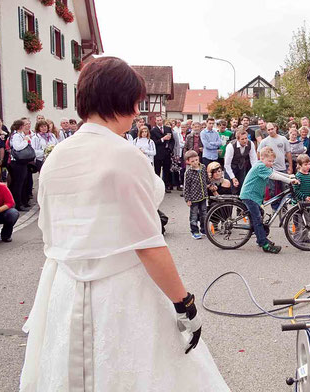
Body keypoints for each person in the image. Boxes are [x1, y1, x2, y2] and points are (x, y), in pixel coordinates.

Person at [20, 56, 228, 391]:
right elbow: (148, 243)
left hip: (64, 287)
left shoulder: (56, 156)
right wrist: (183, 302)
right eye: (136, 103)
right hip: (119, 292)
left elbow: (49, 229)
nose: (137, 111)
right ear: (123, 102)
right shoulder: (124, 155)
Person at [240, 146, 298, 254]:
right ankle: (265, 244)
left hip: (255, 196)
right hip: (250, 195)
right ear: (262, 158)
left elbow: (275, 171)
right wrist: (289, 181)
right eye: (269, 161)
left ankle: (260, 237)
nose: (271, 163)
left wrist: (289, 176)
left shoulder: (265, 165)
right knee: (257, 219)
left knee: (259, 216)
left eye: (272, 161)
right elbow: (273, 175)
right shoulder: (260, 166)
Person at [258, 123, 292, 210]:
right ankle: (274, 208)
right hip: (270, 169)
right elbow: (259, 154)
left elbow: (288, 153)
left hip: (282, 168)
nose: (270, 131)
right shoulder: (264, 141)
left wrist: (290, 166)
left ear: (276, 128)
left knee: (284, 189)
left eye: (272, 129)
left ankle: (283, 207)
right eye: (268, 130)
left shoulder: (283, 139)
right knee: (272, 190)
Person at [183, 150, 212, 240]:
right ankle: (194, 231)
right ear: (188, 162)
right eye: (192, 161)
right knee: (194, 215)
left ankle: (204, 229)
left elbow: (206, 179)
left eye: (196, 160)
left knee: (204, 213)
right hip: (194, 198)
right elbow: (186, 187)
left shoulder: (203, 167)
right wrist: (188, 199)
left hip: (203, 196)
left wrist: (210, 184)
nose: (195, 162)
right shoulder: (188, 172)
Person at [8, 119, 33, 212]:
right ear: (21, 126)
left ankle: (23, 202)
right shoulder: (16, 136)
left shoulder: (20, 135)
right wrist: (26, 140)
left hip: (22, 162)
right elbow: (17, 147)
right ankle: (18, 204)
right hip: (17, 163)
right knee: (18, 184)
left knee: (23, 183)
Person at [151, 114, 175, 193]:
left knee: (166, 170)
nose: (159, 122)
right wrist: (162, 139)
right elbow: (154, 142)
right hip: (158, 154)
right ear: (155, 121)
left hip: (166, 153)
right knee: (157, 171)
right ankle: (157, 187)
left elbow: (172, 140)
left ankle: (166, 186)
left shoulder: (167, 128)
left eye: (160, 120)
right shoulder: (153, 131)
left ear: (162, 120)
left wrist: (170, 149)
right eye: (157, 120)